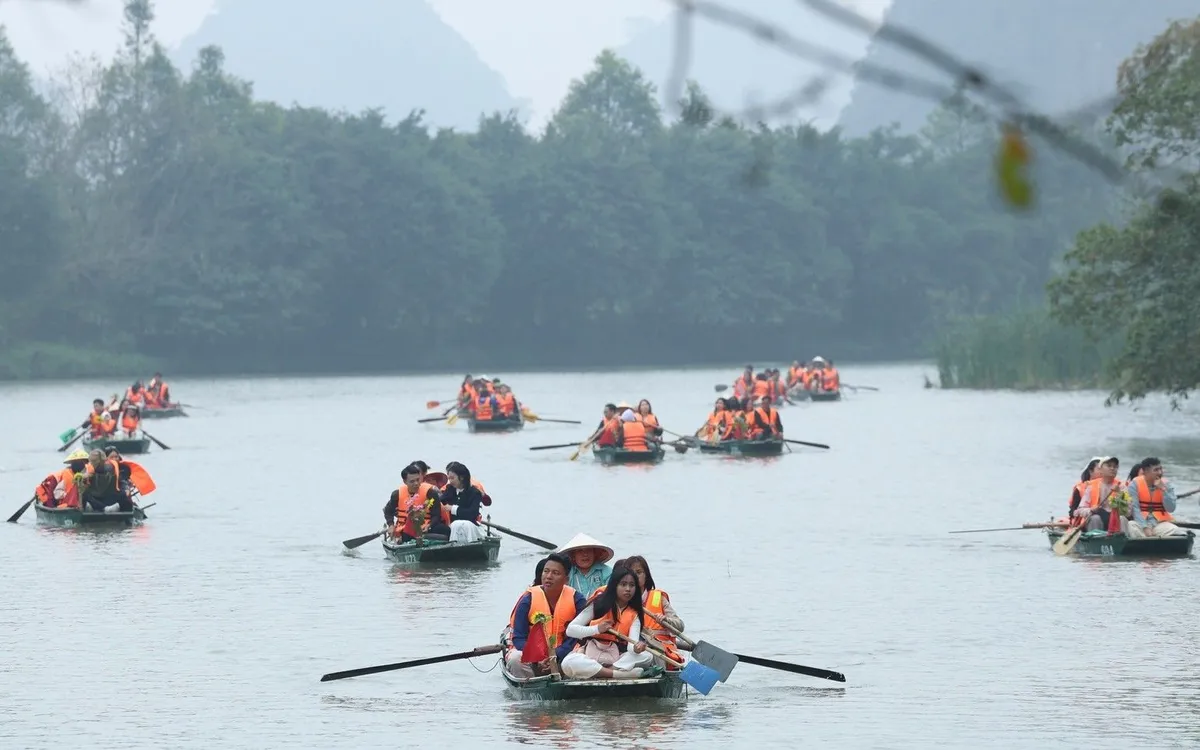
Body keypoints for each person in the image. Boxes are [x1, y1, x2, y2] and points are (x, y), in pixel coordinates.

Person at [560, 566, 658, 680]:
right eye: (623, 584)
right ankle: (619, 675)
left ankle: (603, 672)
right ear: (614, 586)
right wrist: (597, 629)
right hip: (590, 653)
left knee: (647, 656)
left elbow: (631, 647)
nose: (628, 589)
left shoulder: (634, 614)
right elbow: (571, 630)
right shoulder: (598, 604)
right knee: (568, 662)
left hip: (616, 657)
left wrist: (637, 648)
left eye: (632, 585)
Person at [504, 553, 587, 678]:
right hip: (533, 659)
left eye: (555, 573)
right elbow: (519, 638)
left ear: (566, 579)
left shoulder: (578, 600)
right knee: (515, 659)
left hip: (563, 657)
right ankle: (528, 687)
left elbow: (577, 638)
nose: (548, 577)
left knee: (579, 658)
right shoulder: (528, 599)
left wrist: (556, 655)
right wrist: (537, 657)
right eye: (546, 571)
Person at [625, 555, 685, 669]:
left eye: (638, 572)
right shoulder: (621, 600)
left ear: (646, 575)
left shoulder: (658, 598)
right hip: (631, 647)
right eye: (631, 572)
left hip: (659, 650)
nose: (634, 576)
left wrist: (665, 620)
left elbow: (680, 626)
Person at [384, 463, 449, 541]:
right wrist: (391, 525)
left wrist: (429, 525)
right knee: (408, 531)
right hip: (405, 528)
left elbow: (436, 515)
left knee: (445, 530)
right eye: (412, 481)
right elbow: (388, 511)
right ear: (405, 481)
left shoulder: (431, 493)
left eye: (418, 480)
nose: (416, 483)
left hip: (425, 526)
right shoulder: (396, 494)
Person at [1128, 457, 1185, 537]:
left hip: (1160, 523)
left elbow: (1171, 508)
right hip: (1141, 523)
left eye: (1160, 469)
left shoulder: (1166, 484)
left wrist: (1164, 490)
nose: (1160, 472)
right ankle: (1144, 543)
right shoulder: (1134, 484)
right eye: (1156, 470)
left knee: (1177, 531)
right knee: (1131, 525)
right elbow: (1135, 508)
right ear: (1146, 471)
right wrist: (1145, 527)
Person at [1073, 456, 1126, 533]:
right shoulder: (1091, 486)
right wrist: (1091, 510)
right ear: (1100, 469)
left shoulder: (1121, 486)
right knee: (1095, 518)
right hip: (1097, 519)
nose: (1112, 468)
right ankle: (1096, 542)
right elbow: (1079, 510)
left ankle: (1121, 542)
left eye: (1115, 467)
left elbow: (1128, 511)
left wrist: (1119, 494)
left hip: (1115, 520)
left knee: (1122, 518)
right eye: (1109, 466)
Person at [557, 532, 615, 598]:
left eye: (588, 550)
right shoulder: (567, 572)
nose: (585, 554)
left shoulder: (607, 572)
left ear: (594, 553)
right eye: (580, 551)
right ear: (573, 555)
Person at [441, 461, 486, 543]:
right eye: (449, 478)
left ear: (461, 477)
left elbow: (472, 513)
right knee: (453, 525)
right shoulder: (450, 489)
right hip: (453, 526)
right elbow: (441, 500)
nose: (450, 481)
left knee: (460, 524)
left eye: (452, 478)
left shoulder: (474, 493)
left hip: (471, 526)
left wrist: (453, 508)